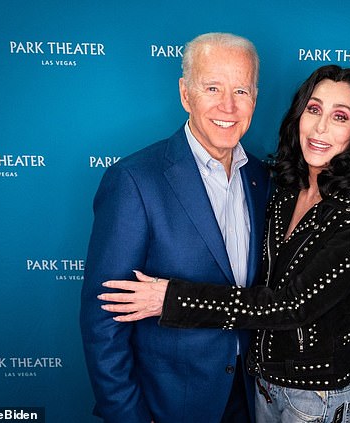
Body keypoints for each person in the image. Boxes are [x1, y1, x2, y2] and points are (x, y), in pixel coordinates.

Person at [99, 65, 350, 423]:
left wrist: (173, 299)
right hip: (259, 384)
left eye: (340, 116)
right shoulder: (286, 187)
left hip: (313, 396)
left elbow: (291, 306)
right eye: (314, 109)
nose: (321, 127)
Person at [80, 32, 271, 423]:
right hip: (168, 406)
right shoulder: (134, 180)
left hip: (250, 400)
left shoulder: (264, 178)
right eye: (212, 87)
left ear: (255, 98)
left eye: (241, 90)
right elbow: (104, 321)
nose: (228, 106)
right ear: (186, 94)